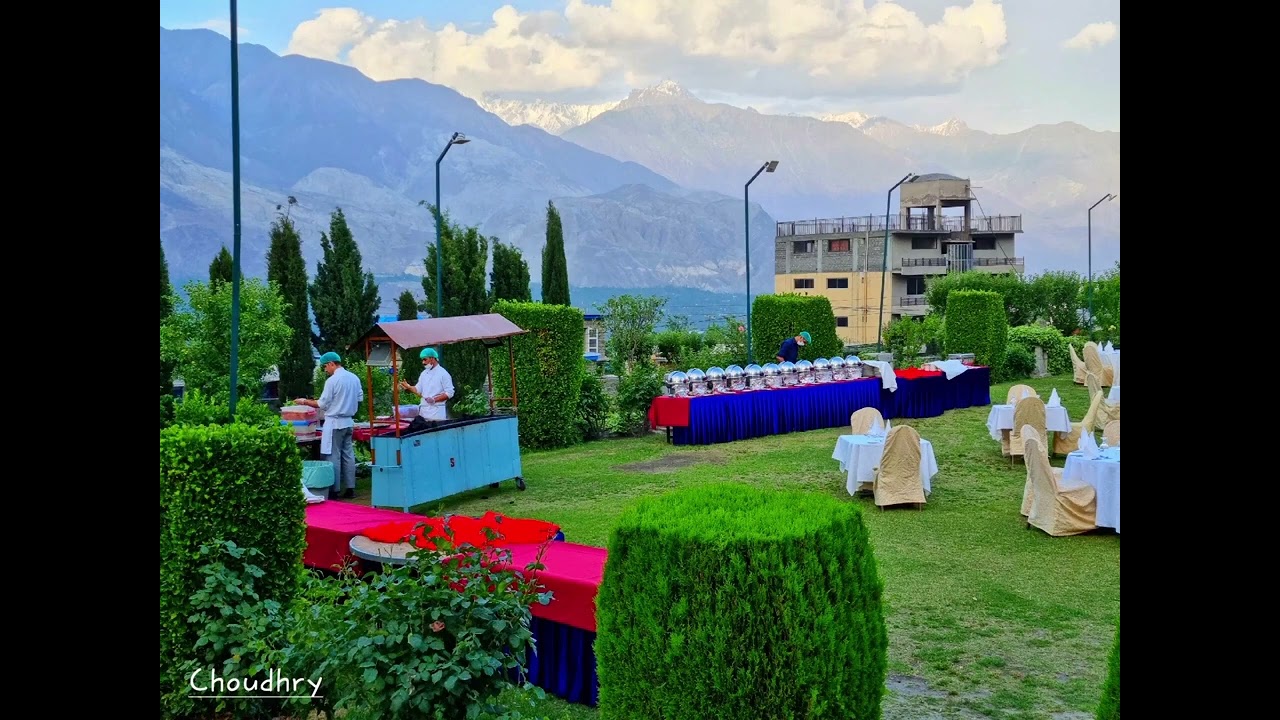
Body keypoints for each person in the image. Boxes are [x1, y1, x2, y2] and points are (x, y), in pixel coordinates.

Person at [293, 352, 363, 500]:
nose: (325, 369)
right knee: (348, 455)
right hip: (349, 421)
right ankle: (351, 488)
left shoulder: (332, 380)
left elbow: (322, 404)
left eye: (325, 366)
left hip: (335, 422)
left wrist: (304, 401)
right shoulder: (354, 378)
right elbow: (359, 398)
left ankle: (334, 490)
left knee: (333, 456)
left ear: (332, 364)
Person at [400, 347, 455, 423]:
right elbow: (418, 390)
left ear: (432, 358)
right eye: (422, 360)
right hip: (423, 412)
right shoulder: (424, 373)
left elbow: (450, 393)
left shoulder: (443, 374)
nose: (423, 362)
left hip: (437, 413)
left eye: (425, 359)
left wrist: (434, 400)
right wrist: (408, 387)